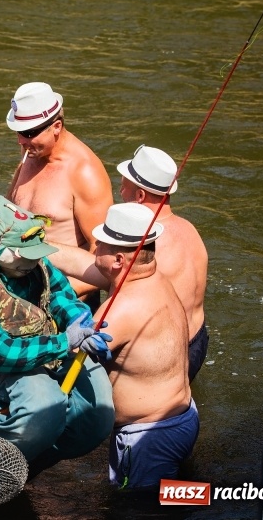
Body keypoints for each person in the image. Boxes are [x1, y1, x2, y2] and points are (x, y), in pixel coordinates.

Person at [0, 195, 115, 473]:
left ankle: (22, 465)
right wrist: (64, 341)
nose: (31, 261)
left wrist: (80, 323)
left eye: (35, 254)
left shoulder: (35, 266)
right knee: (42, 401)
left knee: (97, 407)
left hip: (35, 361)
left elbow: (60, 296)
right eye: (24, 254)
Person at [75, 202, 198, 489]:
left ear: (119, 259)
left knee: (140, 508)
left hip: (147, 437)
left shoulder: (122, 309)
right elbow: (76, 262)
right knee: (175, 496)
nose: (95, 247)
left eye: (100, 244)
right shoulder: (156, 279)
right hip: (181, 420)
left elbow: (63, 356)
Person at [5, 82, 113, 301]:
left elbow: (104, 258)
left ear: (56, 127)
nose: (21, 141)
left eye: (28, 133)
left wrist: (57, 298)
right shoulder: (32, 152)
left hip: (62, 299)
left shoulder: (85, 172)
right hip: (18, 289)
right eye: (18, 132)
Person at [117, 145, 208, 381]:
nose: (120, 191)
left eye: (124, 187)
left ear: (140, 196)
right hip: (198, 341)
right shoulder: (190, 229)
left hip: (168, 352)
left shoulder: (147, 241)